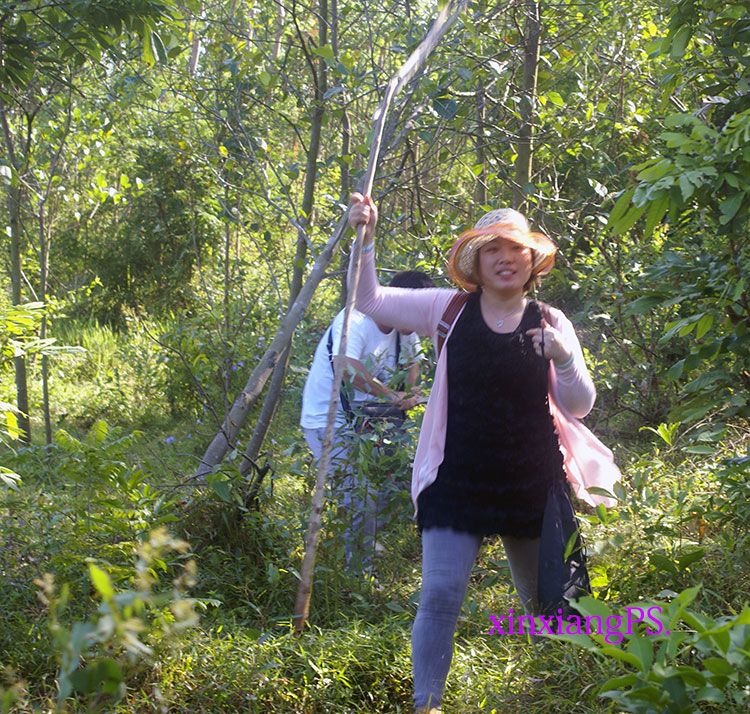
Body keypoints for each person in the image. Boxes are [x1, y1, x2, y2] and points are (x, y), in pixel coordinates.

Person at [347, 194, 621, 713]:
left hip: (531, 480)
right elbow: (372, 302)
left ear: (532, 260)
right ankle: (426, 705)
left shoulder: (551, 320)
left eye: (515, 248)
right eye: (492, 249)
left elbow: (580, 406)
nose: (505, 258)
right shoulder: (447, 309)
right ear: (475, 262)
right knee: (439, 596)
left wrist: (564, 358)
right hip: (457, 478)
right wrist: (365, 239)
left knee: (550, 606)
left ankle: (556, 699)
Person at [300, 270, 434, 574]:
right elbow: (345, 366)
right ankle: (358, 577)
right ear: (397, 302)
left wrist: (410, 392)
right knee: (361, 495)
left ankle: (363, 542)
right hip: (330, 420)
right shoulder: (356, 319)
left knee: (404, 482)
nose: (421, 321)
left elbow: (412, 365)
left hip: (373, 421)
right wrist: (391, 395)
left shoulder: (406, 329)